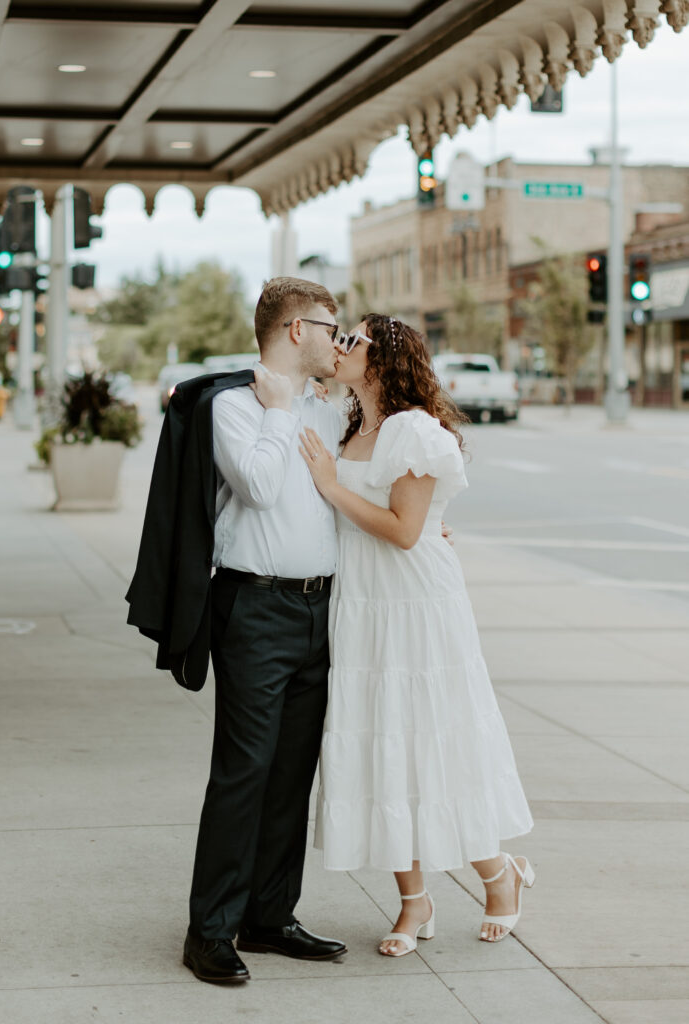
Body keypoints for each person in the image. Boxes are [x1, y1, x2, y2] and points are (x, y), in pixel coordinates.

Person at [298, 314, 535, 956]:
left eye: (354, 340)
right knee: (381, 746)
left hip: (414, 605)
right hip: (364, 601)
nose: (342, 346)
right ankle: (415, 902)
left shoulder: (415, 431)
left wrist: (328, 487)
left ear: (383, 359)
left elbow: (405, 531)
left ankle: (498, 875)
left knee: (432, 741)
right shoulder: (352, 425)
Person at [182, 277, 348, 985]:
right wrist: (279, 412)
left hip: (321, 609)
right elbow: (255, 485)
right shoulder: (233, 405)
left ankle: (270, 916)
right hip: (254, 608)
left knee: (291, 773)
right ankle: (210, 931)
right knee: (244, 770)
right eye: (327, 328)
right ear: (292, 330)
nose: (335, 341)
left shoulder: (326, 407)